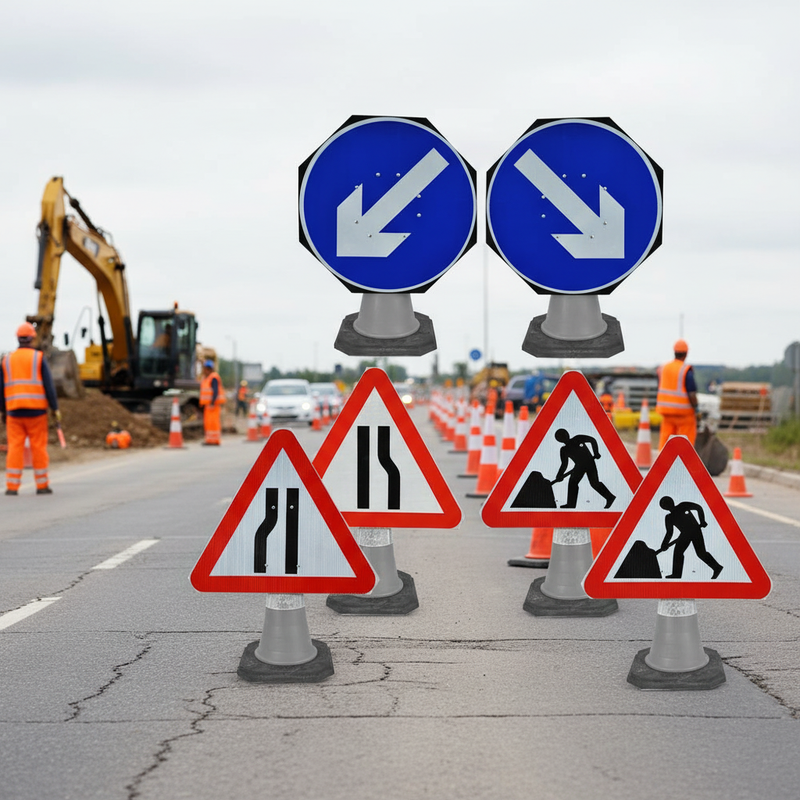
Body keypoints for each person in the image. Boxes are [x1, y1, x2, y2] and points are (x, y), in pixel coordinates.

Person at [1, 323, 60, 495]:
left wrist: (3, 411)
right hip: (36, 412)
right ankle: (42, 486)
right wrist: (54, 408)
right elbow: (49, 386)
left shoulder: (6, 360)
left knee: (15, 448)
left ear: (17, 339)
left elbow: (1, 388)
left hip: (13, 412)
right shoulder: (39, 358)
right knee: (38, 448)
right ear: (33, 338)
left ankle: (12, 487)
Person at [656, 496, 723, 579]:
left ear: (672, 501)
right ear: (664, 508)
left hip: (695, 530)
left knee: (701, 553)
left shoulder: (682, 506)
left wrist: (702, 520)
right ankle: (676, 574)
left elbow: (698, 508)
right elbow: (669, 532)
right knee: (678, 552)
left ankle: (716, 567)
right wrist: (664, 544)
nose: (667, 505)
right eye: (664, 504)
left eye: (667, 502)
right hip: (685, 534)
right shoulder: (669, 517)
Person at [551, 428, 616, 509]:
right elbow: (564, 464)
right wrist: (559, 475)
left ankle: (610, 497)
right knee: (573, 483)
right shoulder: (564, 450)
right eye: (560, 437)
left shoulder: (577, 439)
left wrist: (596, 452)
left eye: (563, 435)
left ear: (567, 434)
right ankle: (571, 504)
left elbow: (592, 440)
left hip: (589, 463)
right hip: (579, 467)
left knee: (594, 483)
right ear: (559, 440)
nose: (563, 438)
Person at [655, 339, 699, 449]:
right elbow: (692, 393)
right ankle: (683, 463)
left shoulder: (663, 368)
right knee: (685, 443)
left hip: (666, 413)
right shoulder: (685, 370)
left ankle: (663, 464)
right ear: (686, 353)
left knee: (665, 442)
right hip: (684, 414)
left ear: (674, 352)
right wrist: (696, 408)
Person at [199, 359, 226, 445]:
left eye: (207, 369)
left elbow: (215, 391)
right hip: (209, 405)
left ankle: (214, 440)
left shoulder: (213, 377)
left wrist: (212, 402)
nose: (205, 370)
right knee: (208, 423)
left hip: (213, 405)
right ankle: (210, 440)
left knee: (213, 423)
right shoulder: (206, 378)